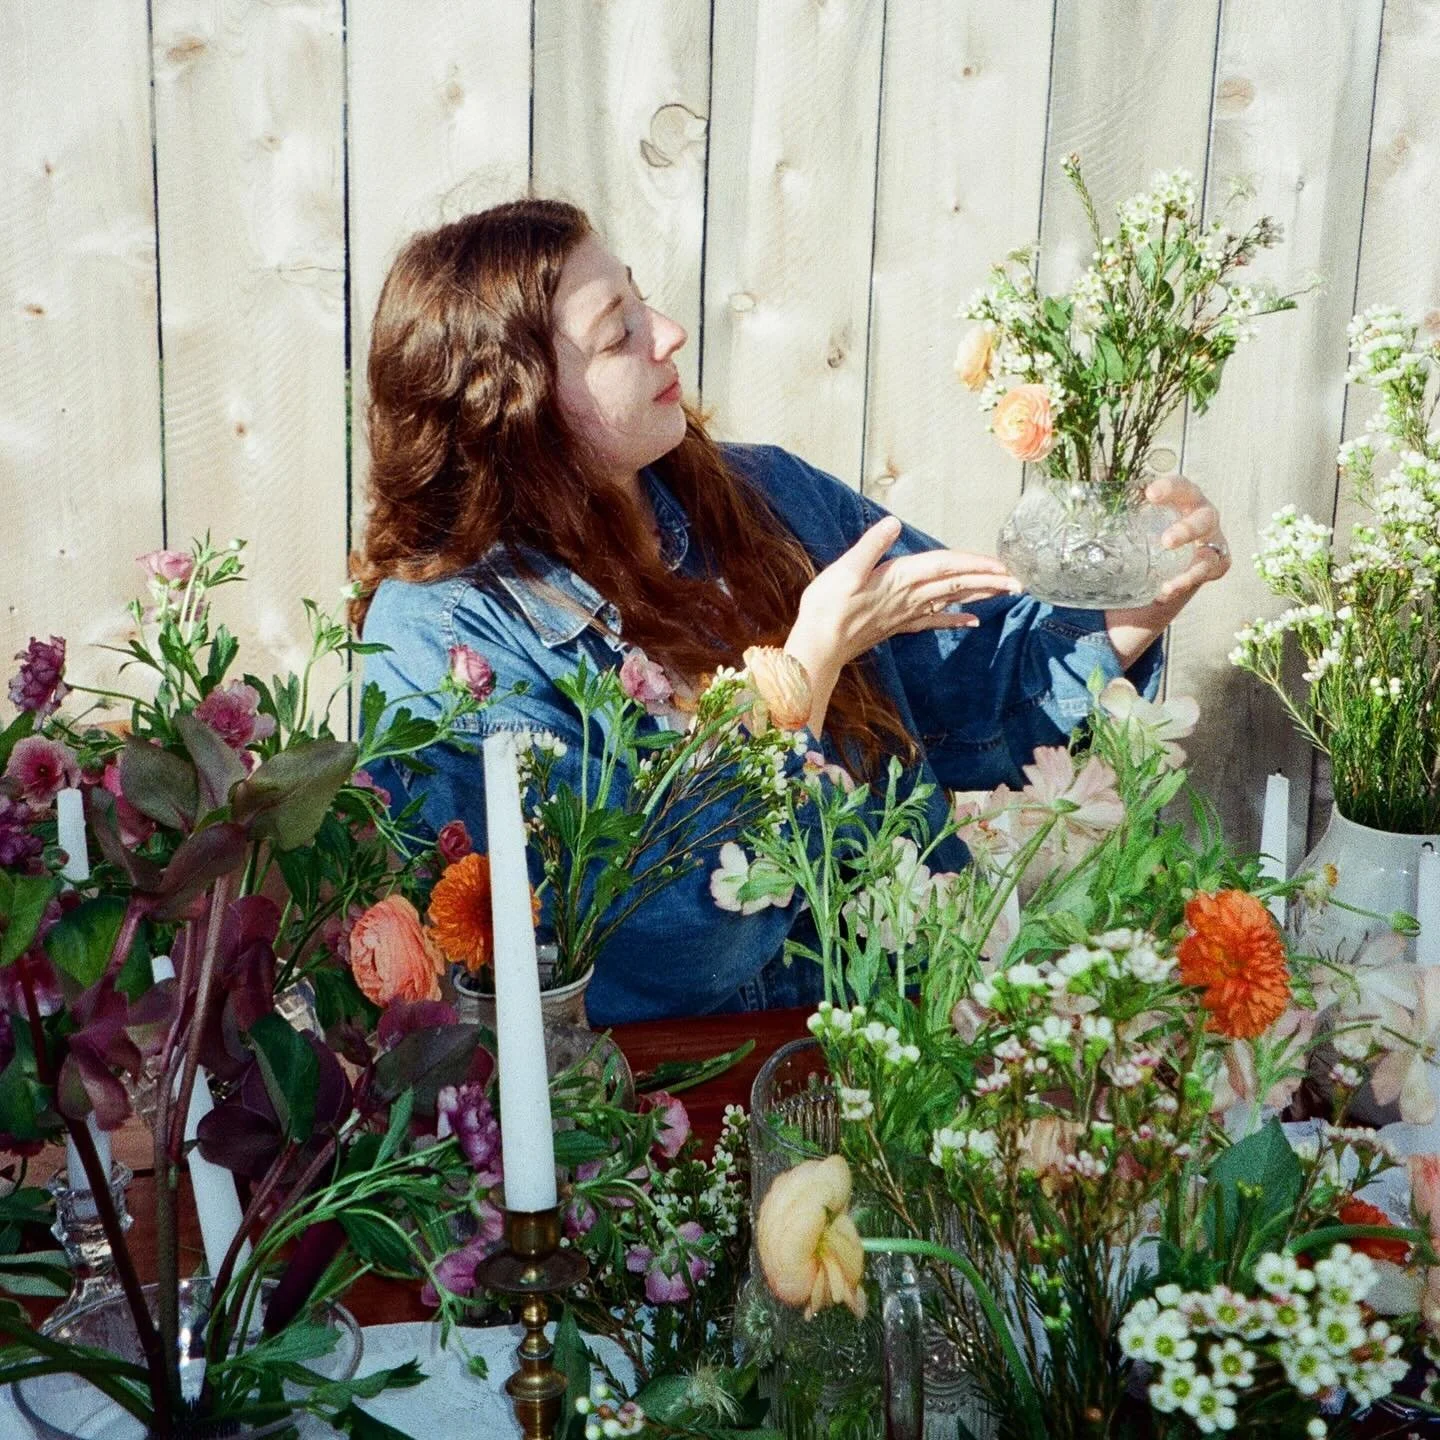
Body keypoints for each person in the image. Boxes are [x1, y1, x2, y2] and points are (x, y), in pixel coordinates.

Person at [349, 198, 1231, 1025]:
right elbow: (662, 946)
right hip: (688, 1108)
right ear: (515, 406)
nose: (669, 334)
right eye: (619, 333)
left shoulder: (764, 497)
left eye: (643, 301)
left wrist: (1130, 611)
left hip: (917, 1043)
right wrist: (804, 672)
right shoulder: (441, 642)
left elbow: (978, 685)